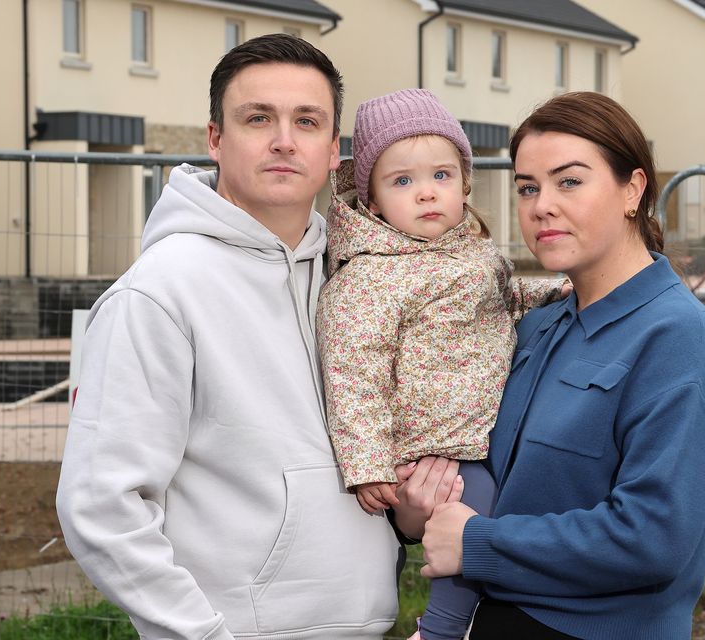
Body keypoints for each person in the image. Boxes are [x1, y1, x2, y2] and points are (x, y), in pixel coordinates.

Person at [56, 34, 458, 640]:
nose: (283, 139)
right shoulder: (160, 293)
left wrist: (405, 512)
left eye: (306, 121)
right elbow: (100, 506)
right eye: (257, 118)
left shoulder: (358, 278)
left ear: (333, 152)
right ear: (215, 138)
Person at [418, 92, 705, 639]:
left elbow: (652, 538)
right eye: (527, 187)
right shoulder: (537, 326)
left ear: (633, 189)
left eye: (569, 181)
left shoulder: (678, 341)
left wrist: (477, 543)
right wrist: (422, 505)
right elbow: (491, 487)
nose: (541, 204)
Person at [317, 89, 567, 640]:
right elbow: (353, 375)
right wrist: (367, 465)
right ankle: (441, 630)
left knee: (505, 521)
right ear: (374, 200)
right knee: (473, 519)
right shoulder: (368, 279)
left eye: (442, 175)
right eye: (402, 181)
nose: (427, 192)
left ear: (464, 182)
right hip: (434, 446)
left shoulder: (473, 252)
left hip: (480, 431)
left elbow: (505, 299)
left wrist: (558, 294)